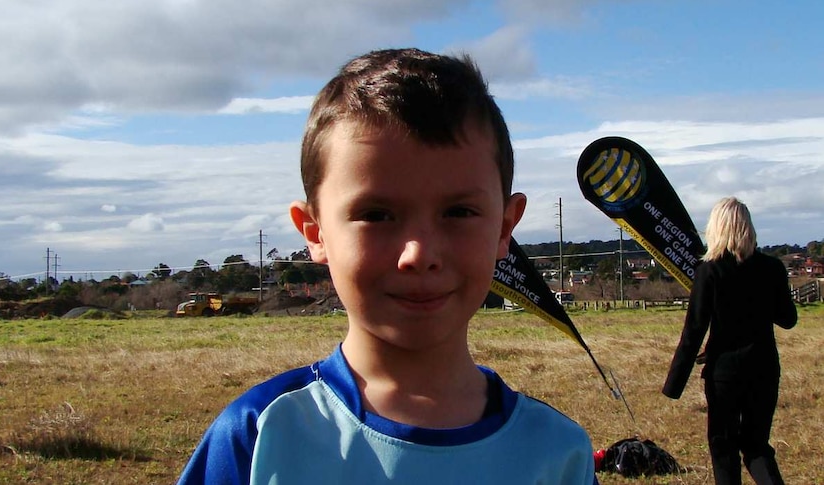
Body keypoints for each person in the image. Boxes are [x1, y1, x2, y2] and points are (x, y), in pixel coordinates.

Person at [177, 48, 597, 484]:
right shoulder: (260, 435)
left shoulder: (557, 453)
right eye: (376, 215)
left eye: (458, 213)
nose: (419, 254)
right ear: (315, 233)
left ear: (504, 227)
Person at [662, 197, 797, 485]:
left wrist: (673, 385)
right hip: (764, 368)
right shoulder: (772, 268)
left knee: (723, 447)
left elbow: (693, 331)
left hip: (724, 373)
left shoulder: (708, 271)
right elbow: (788, 319)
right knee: (757, 446)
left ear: (715, 228)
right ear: (748, 228)